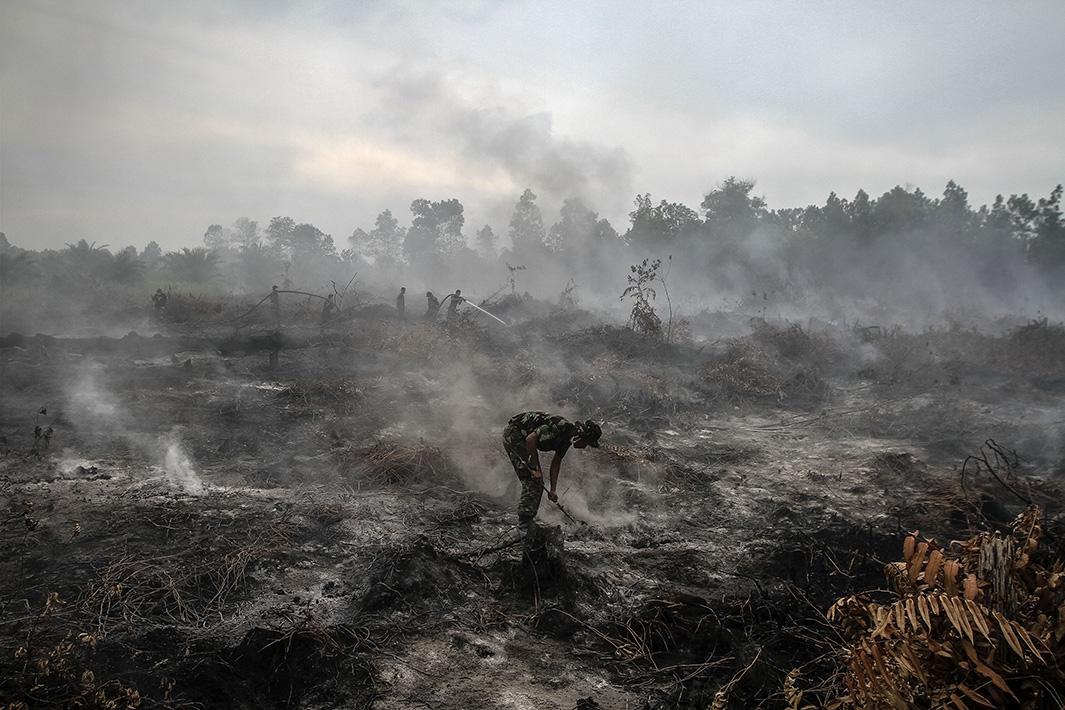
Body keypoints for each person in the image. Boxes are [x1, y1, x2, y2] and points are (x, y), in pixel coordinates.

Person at [502, 411, 601, 534]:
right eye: (586, 443)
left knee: (537, 481)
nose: (584, 446)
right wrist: (534, 468)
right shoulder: (559, 427)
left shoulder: (566, 441)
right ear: (580, 436)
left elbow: (556, 463)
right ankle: (523, 527)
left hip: (521, 438)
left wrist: (553, 490)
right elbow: (530, 439)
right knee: (533, 481)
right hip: (514, 434)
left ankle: (527, 521)